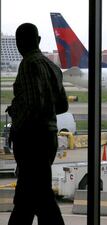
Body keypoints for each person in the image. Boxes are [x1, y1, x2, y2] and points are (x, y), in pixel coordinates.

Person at [6, 23, 68, 225]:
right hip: (48, 137)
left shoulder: (28, 64)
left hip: (32, 138)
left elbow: (34, 106)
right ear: (39, 40)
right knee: (34, 192)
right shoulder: (52, 67)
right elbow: (62, 105)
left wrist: (16, 115)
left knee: (35, 193)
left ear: (19, 43)